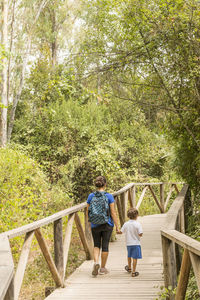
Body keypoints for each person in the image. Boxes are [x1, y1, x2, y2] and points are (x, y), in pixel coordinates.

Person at [87, 176, 120, 276]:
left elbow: (88, 211)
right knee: (105, 245)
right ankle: (102, 268)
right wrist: (117, 226)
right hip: (107, 224)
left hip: (95, 224)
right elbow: (113, 212)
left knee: (97, 244)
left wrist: (90, 223)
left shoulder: (91, 196)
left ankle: (96, 262)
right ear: (105, 184)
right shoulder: (109, 196)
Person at [118, 208, 143, 277]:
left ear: (128, 216)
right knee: (135, 257)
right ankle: (134, 272)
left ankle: (129, 268)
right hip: (136, 243)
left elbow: (121, 232)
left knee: (129, 255)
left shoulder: (126, 224)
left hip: (128, 243)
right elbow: (140, 234)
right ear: (137, 215)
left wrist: (117, 231)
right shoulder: (138, 224)